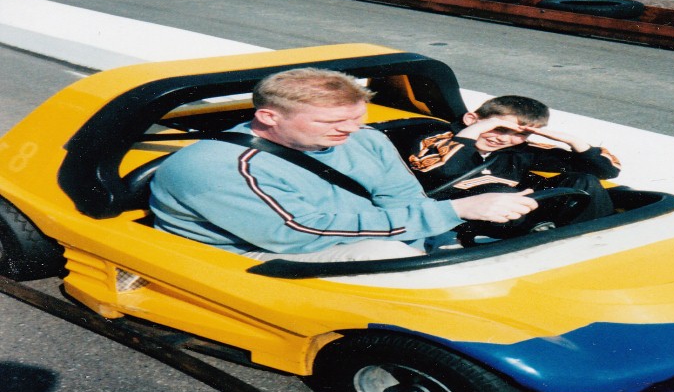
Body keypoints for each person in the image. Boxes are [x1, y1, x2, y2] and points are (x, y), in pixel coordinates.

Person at [149, 68, 538, 261]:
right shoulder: (218, 167)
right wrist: (454, 211)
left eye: (357, 118)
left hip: (349, 233)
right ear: (269, 117)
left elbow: (403, 198)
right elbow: (297, 233)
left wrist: (444, 243)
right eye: (334, 122)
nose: (351, 130)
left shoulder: (363, 138)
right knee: (386, 257)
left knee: (481, 251)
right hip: (257, 255)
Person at [407, 95, 620, 231]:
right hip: (459, 219)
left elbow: (607, 171)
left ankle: (598, 238)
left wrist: (572, 141)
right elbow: (445, 170)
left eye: (519, 134)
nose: (503, 139)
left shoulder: (518, 150)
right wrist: (472, 132)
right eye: (498, 129)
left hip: (516, 217)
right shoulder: (435, 140)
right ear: (472, 120)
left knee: (584, 182)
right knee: (502, 192)